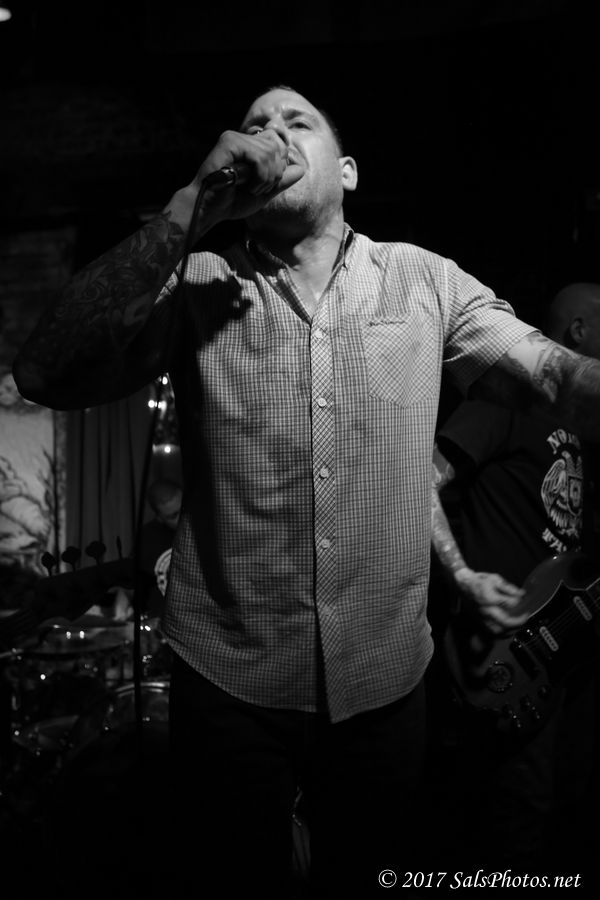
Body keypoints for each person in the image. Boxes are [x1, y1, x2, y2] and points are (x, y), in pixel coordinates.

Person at [11, 84, 600, 898]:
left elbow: (557, 377)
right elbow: (46, 371)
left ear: (347, 171)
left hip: (385, 687)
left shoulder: (423, 281)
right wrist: (190, 206)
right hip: (227, 683)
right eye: (255, 124)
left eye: (297, 123)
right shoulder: (201, 280)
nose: (271, 135)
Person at [429, 282, 600, 879]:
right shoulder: (506, 399)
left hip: (562, 653)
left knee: (553, 811)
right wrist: (462, 576)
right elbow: (424, 480)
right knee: (510, 824)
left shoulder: (580, 430)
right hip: (502, 653)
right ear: (578, 330)